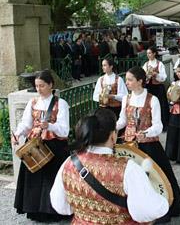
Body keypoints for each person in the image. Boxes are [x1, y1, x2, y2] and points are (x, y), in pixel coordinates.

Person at [50, 108, 169, 224]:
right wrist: (161, 200)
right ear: (113, 136)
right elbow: (145, 212)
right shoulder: (128, 168)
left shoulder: (69, 162)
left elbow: (60, 206)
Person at [117, 66, 180, 223]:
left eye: (129, 80)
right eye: (126, 79)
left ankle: (159, 210)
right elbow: (123, 120)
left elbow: (159, 126)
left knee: (156, 178)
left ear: (140, 81)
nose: (126, 82)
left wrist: (146, 133)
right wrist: (110, 127)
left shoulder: (152, 100)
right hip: (129, 144)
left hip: (148, 146)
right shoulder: (126, 98)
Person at [12, 70, 70, 222]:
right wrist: (18, 134)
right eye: (37, 86)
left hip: (54, 145)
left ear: (51, 85)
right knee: (35, 178)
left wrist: (49, 126)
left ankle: (55, 211)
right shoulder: (32, 102)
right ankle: (35, 210)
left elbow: (64, 129)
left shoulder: (60, 103)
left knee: (52, 179)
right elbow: (26, 123)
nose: (39, 89)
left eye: (42, 86)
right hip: (35, 144)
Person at [143, 46, 169, 130]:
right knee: (149, 105)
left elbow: (164, 77)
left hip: (158, 88)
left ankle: (161, 125)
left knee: (160, 105)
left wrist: (156, 74)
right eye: (147, 53)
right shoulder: (146, 64)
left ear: (154, 53)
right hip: (148, 87)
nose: (148, 55)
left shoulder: (159, 64)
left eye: (150, 53)